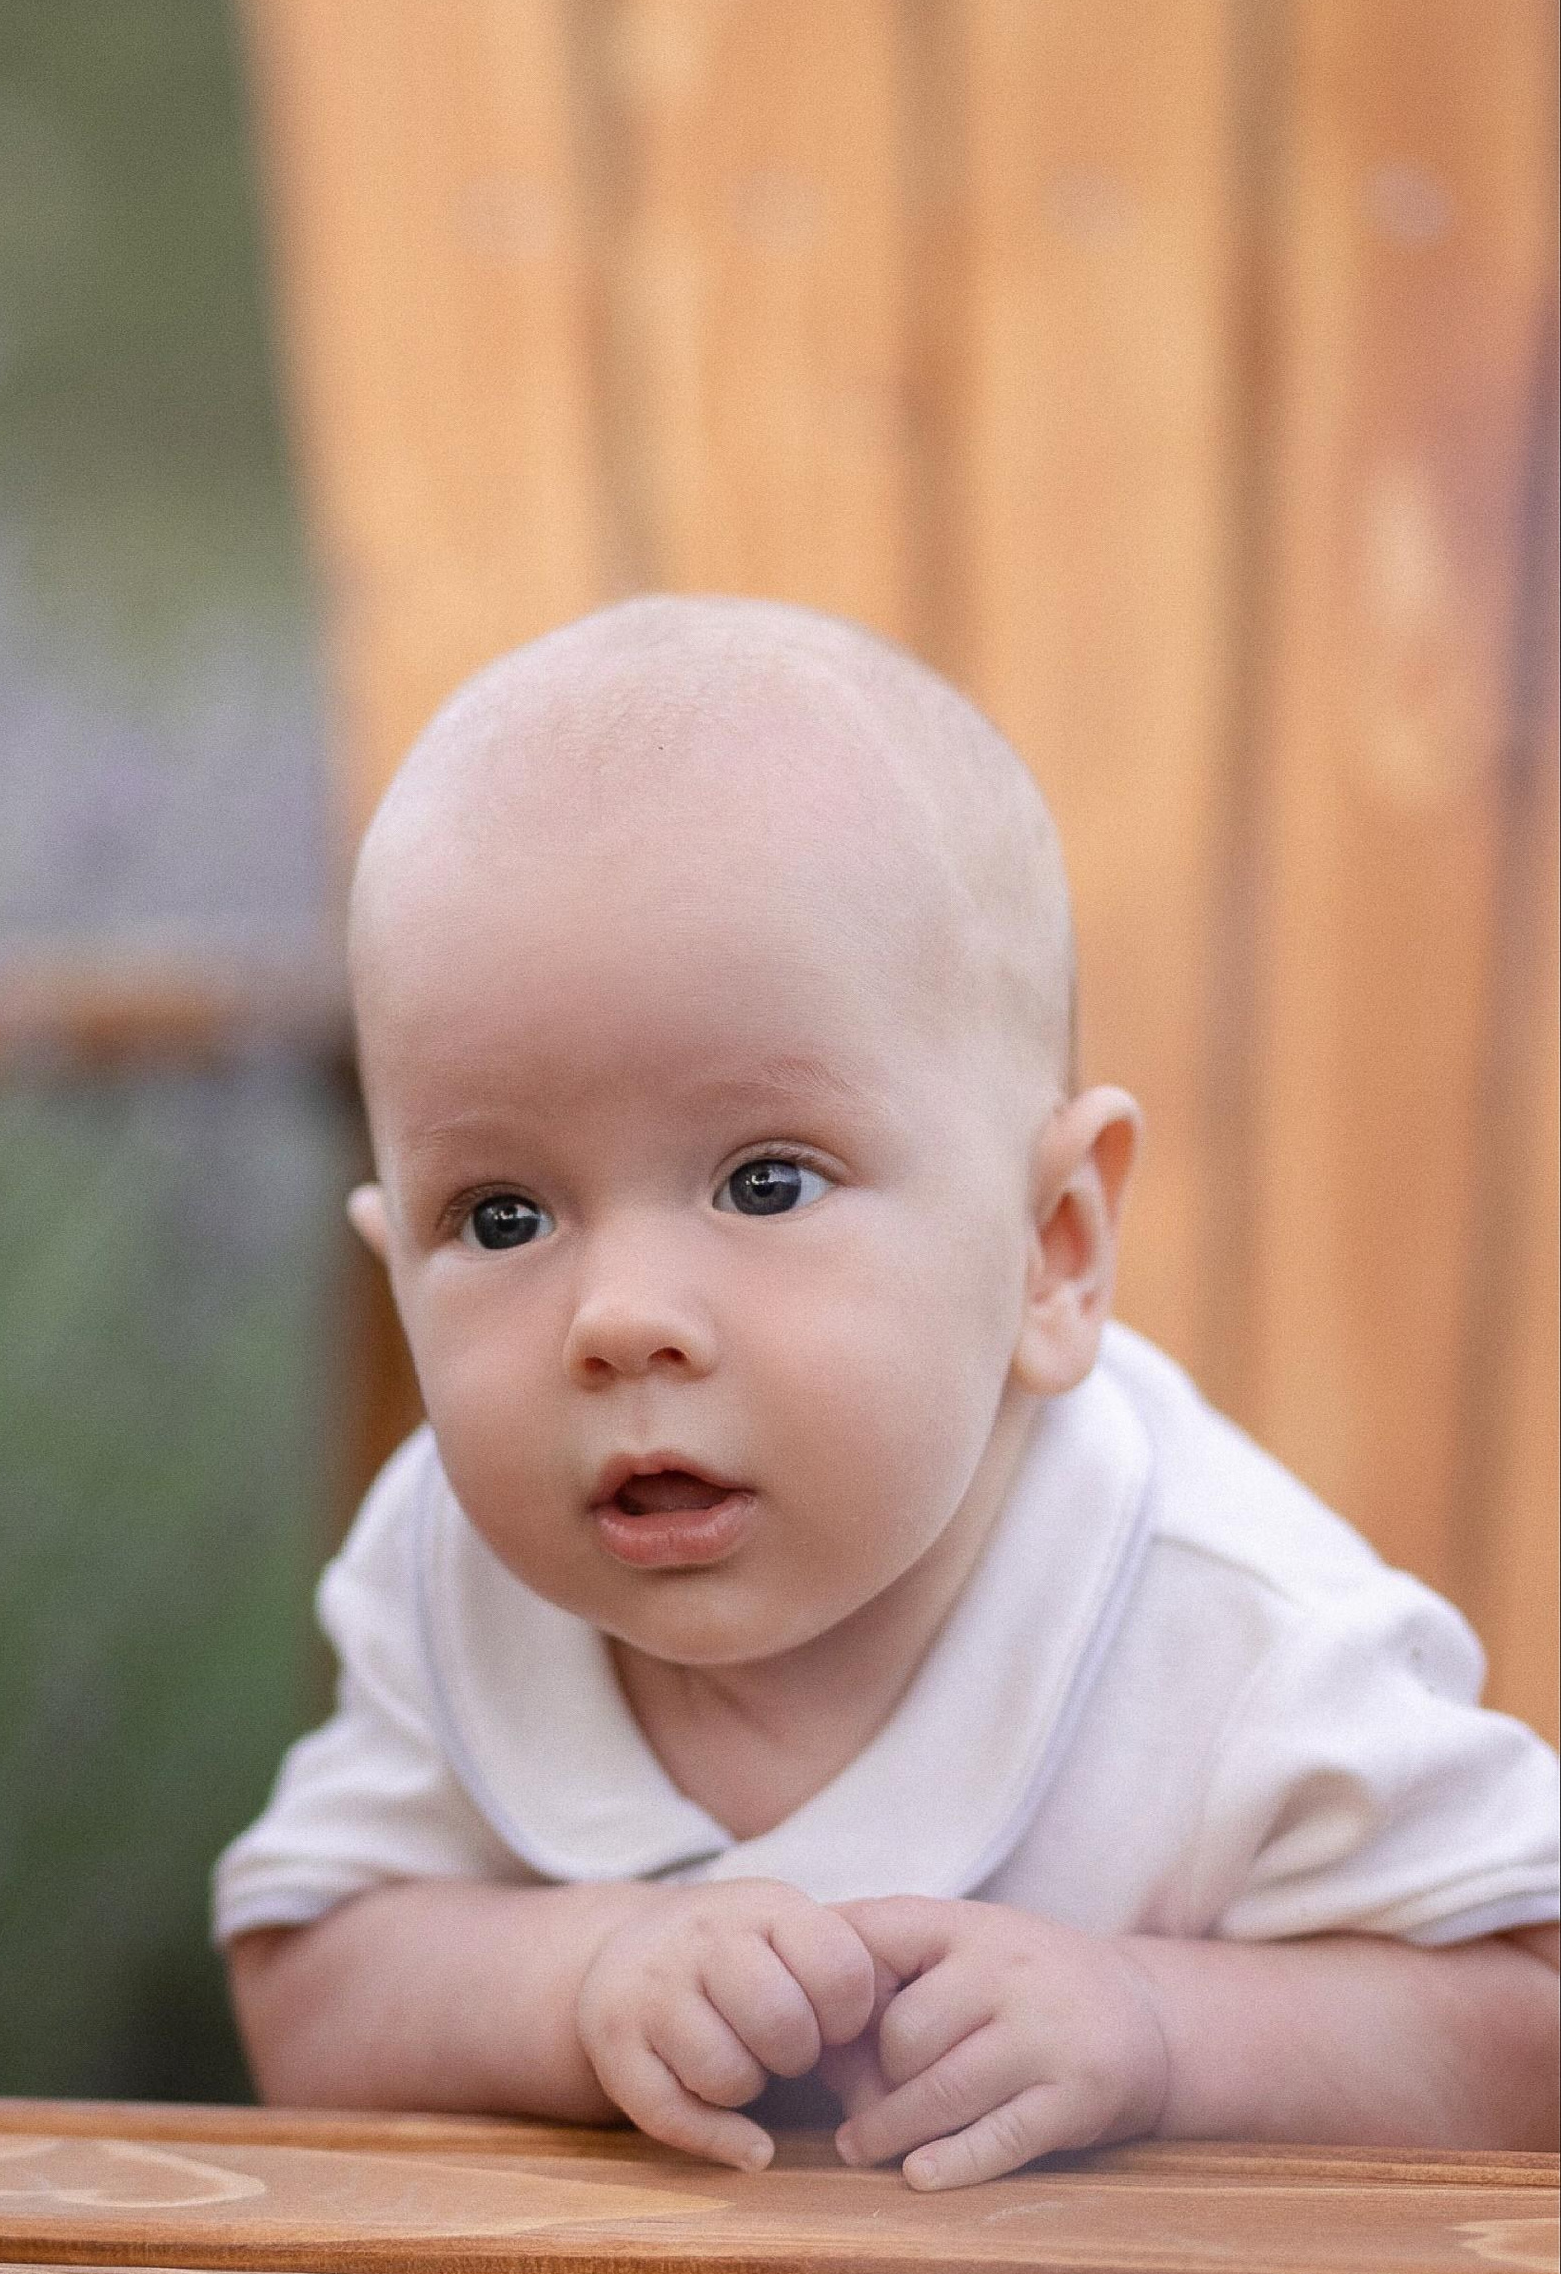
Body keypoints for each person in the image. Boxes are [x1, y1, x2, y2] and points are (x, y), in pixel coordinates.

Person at [216, 597, 1560, 2189]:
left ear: (1051, 1249)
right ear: (396, 1270)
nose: (620, 1318)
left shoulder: (1234, 1635)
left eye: (767, 1181)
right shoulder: (450, 1568)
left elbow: (1526, 2020)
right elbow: (305, 1987)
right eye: (501, 1217)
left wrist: (1161, 2024)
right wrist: (576, 1981)